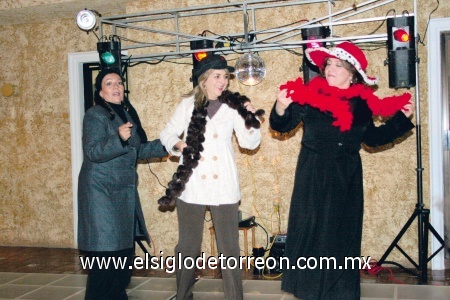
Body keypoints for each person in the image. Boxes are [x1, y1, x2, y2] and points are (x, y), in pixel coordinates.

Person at [269, 41, 415, 299]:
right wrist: (281, 106)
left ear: (352, 74)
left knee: (341, 238)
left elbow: (372, 139)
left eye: (338, 65)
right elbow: (282, 125)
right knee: (311, 235)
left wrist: (401, 120)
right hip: (313, 175)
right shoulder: (310, 97)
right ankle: (310, 291)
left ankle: (340, 294)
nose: (330, 69)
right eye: (328, 64)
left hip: (346, 177)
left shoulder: (362, 105)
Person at [159, 54, 263, 300]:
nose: (223, 81)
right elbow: (167, 135)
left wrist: (251, 118)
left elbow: (249, 143)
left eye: (225, 76)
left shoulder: (234, 105)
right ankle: (183, 295)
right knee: (188, 247)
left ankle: (234, 297)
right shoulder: (187, 104)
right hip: (192, 184)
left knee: (229, 248)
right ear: (204, 80)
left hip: (224, 186)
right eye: (217, 76)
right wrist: (179, 145)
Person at [77, 68, 168, 300]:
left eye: (119, 82)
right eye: (109, 83)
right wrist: (117, 137)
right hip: (101, 194)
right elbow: (93, 151)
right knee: (105, 261)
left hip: (122, 194)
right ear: (100, 92)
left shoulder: (125, 115)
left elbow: (137, 150)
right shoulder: (95, 115)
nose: (116, 87)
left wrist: (169, 145)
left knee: (123, 261)